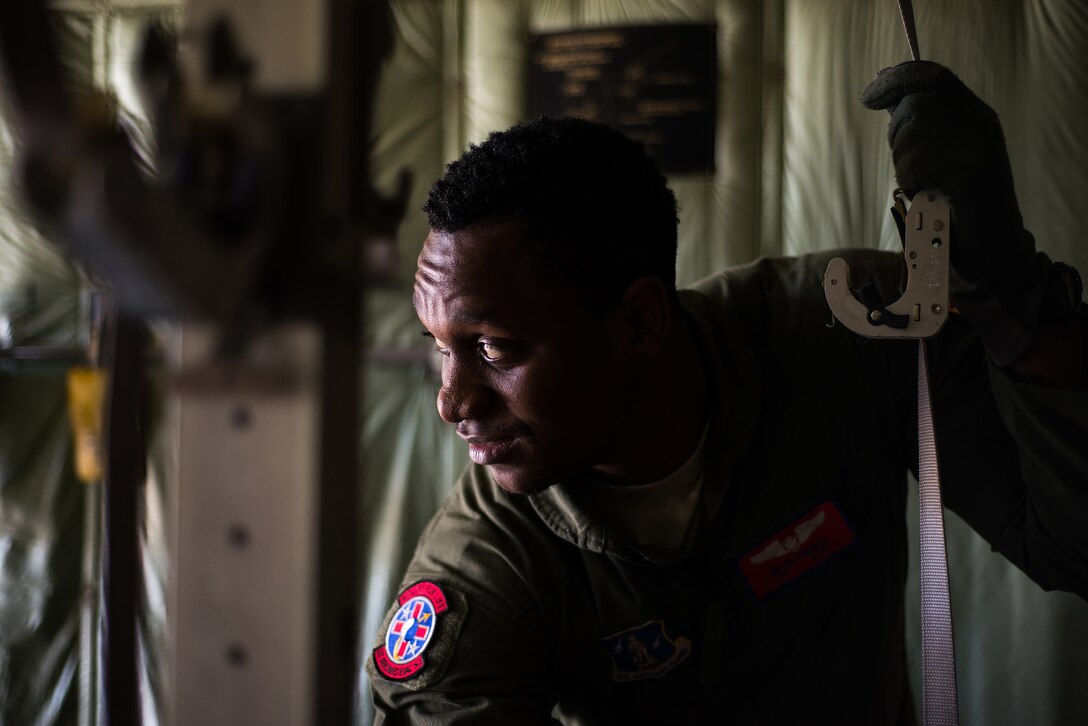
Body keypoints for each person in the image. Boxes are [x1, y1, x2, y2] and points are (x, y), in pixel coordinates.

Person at [366, 61, 1087, 723]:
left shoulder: (852, 328)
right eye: (440, 349)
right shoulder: (492, 546)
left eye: (492, 348)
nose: (452, 402)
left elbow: (1070, 547)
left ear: (641, 320)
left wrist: (1016, 308)